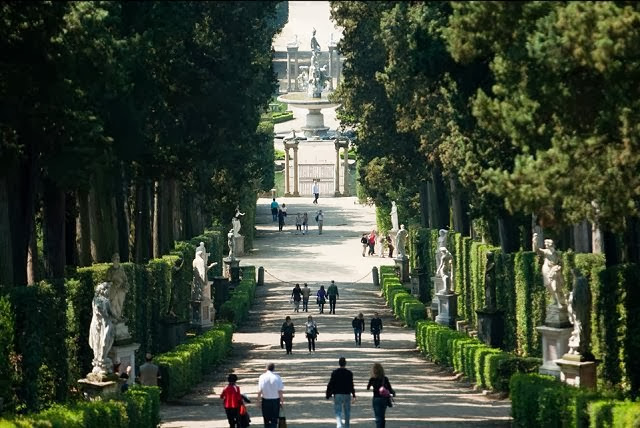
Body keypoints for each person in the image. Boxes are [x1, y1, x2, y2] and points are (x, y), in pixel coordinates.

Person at [532, 233, 567, 308]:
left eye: (547, 244)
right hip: (546, 270)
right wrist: (534, 241)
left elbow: (561, 262)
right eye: (546, 244)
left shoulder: (557, 253)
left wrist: (559, 267)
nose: (546, 245)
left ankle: (559, 302)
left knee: (555, 287)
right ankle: (556, 301)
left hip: (554, 270)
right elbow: (536, 250)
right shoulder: (545, 252)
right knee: (549, 286)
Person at [89, 282, 115, 374]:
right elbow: (104, 313)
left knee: (104, 341)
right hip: (101, 324)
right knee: (101, 341)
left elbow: (109, 312)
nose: (108, 291)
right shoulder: (99, 300)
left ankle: (101, 359)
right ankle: (100, 359)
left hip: (102, 323)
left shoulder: (102, 300)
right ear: (102, 290)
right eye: (107, 289)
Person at [326, 357, 356, 428]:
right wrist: (354, 394)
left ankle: (339, 425)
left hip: (337, 394)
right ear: (345, 363)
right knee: (347, 412)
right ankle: (347, 426)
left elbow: (331, 383)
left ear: (339, 363)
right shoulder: (349, 373)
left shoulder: (335, 373)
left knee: (338, 411)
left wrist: (328, 393)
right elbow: (351, 385)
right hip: (346, 394)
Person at [367, 363, 396, 428]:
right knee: (382, 416)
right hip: (384, 399)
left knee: (378, 417)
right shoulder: (385, 379)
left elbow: (368, 388)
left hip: (376, 399)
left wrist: (371, 383)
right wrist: (393, 393)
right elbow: (390, 388)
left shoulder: (372, 379)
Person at [257, 363, 284, 428]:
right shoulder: (277, 377)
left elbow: (260, 390)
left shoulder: (262, 377)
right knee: (274, 418)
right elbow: (280, 391)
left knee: (266, 418)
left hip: (265, 400)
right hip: (275, 400)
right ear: (274, 368)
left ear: (266, 368)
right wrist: (282, 400)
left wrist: (258, 401)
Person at [105, 253, 129, 321]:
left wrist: (125, 285)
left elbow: (125, 279)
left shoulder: (121, 269)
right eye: (116, 259)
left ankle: (119, 316)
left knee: (120, 303)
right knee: (113, 303)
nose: (117, 260)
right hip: (113, 289)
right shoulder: (110, 270)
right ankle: (114, 317)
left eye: (118, 259)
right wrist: (114, 282)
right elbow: (107, 280)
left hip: (121, 289)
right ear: (113, 260)